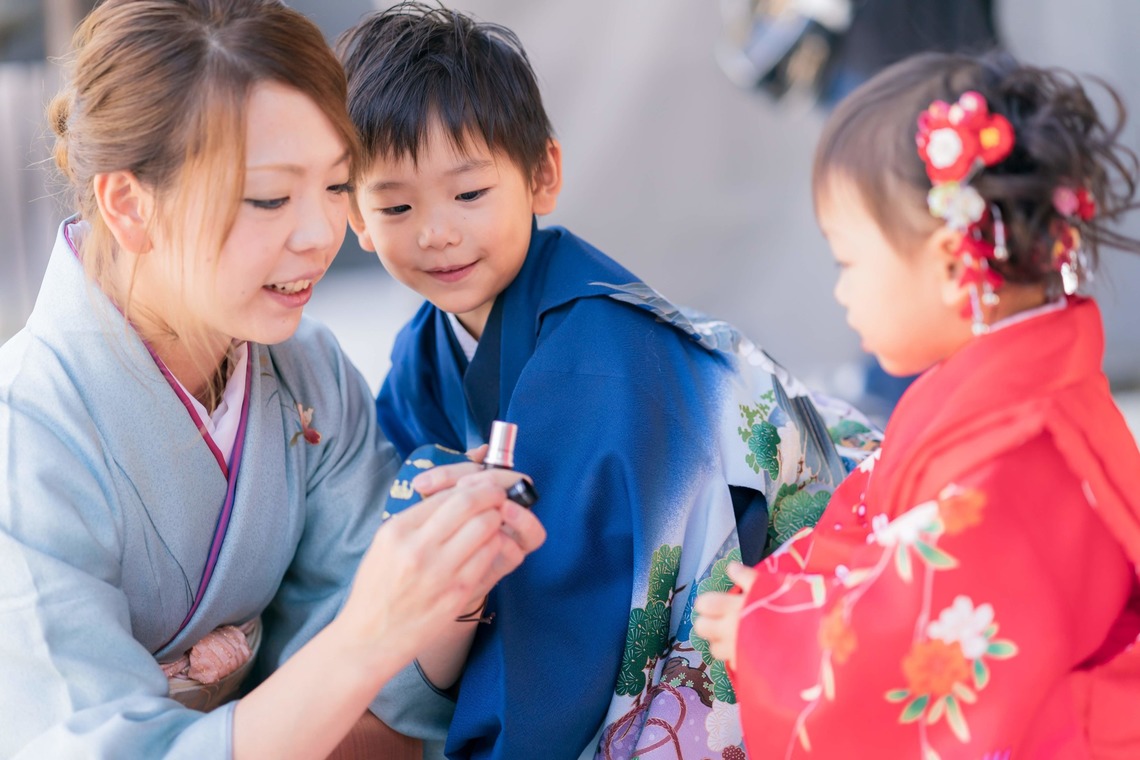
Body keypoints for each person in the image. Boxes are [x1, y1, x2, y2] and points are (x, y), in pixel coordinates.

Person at [0, 1, 546, 757]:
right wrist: (366, 639)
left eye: (336, 186)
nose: (321, 235)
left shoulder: (307, 370)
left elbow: (393, 710)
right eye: (269, 198)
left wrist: (447, 580)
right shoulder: (24, 434)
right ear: (129, 204)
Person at [338, 4, 877, 757]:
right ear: (355, 218)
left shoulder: (590, 364)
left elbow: (567, 625)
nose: (436, 232)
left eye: (469, 194)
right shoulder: (424, 350)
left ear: (542, 176)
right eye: (396, 205)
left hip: (792, 563)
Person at [694, 51, 1140, 757]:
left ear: (951, 264)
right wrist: (786, 597)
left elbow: (912, 648)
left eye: (848, 262)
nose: (840, 292)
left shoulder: (1018, 453)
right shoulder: (1018, 391)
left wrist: (771, 633)